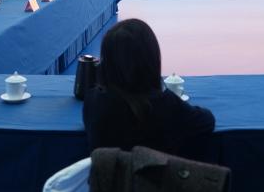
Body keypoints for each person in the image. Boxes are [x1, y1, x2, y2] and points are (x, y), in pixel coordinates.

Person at [82, 19, 215, 155]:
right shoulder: (167, 105)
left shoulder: (93, 101)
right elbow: (207, 120)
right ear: (151, 59)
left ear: (106, 62)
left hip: (106, 170)